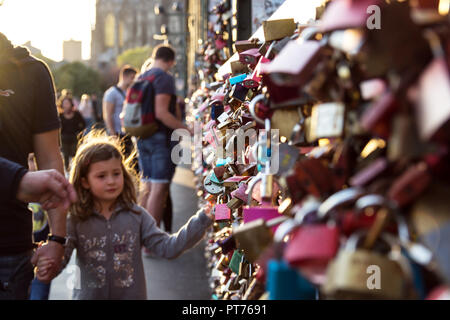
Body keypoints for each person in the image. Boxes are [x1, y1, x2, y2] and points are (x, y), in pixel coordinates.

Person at [34, 131, 213, 300]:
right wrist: (46, 267)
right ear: (84, 181)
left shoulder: (137, 215)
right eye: (101, 176)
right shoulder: (76, 220)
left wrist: (202, 219)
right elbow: (61, 259)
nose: (111, 181)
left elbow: (168, 247)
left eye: (116, 173)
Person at [0, 32, 69, 299]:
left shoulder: (32, 71)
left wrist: (57, 238)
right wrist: (18, 179)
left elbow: (50, 157)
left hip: (10, 247)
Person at [137, 45, 192, 233]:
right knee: (159, 189)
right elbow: (161, 113)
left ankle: (140, 235)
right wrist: (185, 129)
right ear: (170, 61)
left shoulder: (142, 76)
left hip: (142, 136)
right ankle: (150, 240)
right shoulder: (164, 78)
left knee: (148, 187)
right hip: (160, 138)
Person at [102, 65, 139, 172]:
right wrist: (113, 133)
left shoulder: (130, 92)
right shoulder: (111, 93)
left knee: (133, 164)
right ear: (124, 76)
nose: (133, 80)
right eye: (132, 77)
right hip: (117, 133)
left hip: (130, 133)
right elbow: (107, 114)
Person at [58, 95, 86, 172]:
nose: (66, 105)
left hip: (75, 138)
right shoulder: (60, 116)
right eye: (65, 103)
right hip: (64, 139)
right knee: (65, 156)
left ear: (71, 104)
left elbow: (83, 124)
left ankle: (75, 170)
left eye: (68, 103)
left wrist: (80, 134)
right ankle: (67, 172)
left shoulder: (76, 114)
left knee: (75, 155)